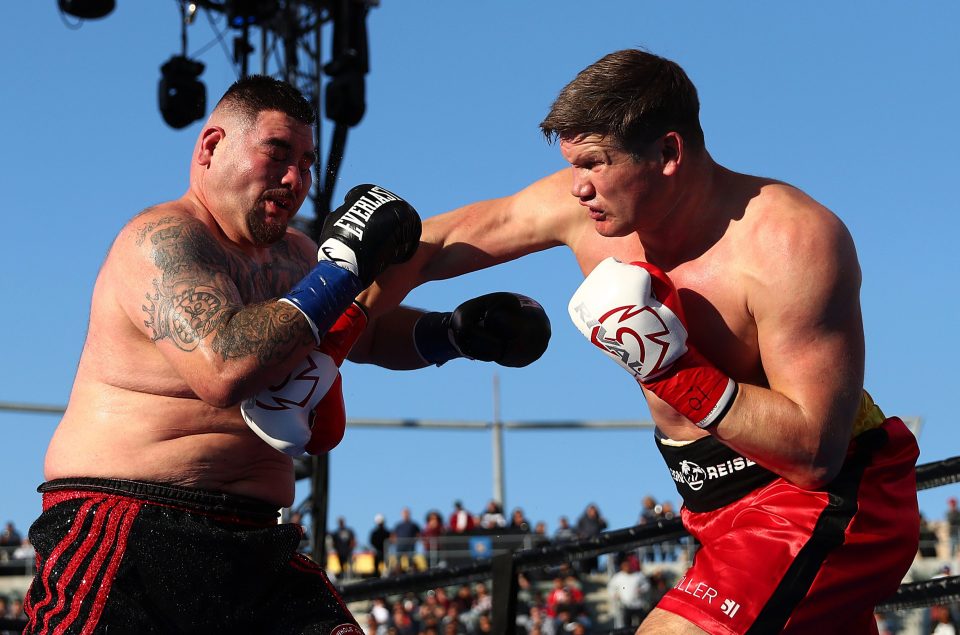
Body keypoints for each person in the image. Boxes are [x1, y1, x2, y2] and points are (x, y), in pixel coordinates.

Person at [353, 48, 920, 634]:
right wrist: (331, 305)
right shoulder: (588, 208)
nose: (577, 188)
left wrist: (673, 372)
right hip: (714, 509)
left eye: (594, 164)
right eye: (572, 165)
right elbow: (429, 249)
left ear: (669, 152)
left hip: (826, 501)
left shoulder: (788, 241)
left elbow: (814, 451)